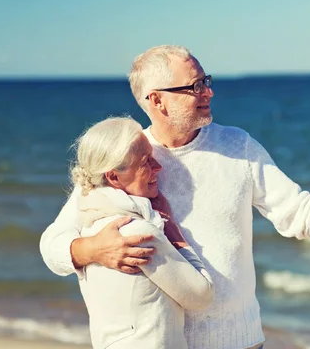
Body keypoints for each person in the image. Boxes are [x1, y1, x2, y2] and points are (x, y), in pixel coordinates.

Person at [40, 45, 310, 349]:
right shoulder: (125, 159)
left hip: (241, 341)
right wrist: (90, 250)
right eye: (194, 86)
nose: (208, 92)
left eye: (205, 81)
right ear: (156, 100)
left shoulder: (238, 145)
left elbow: (299, 215)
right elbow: (53, 244)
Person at [68, 116, 213, 349]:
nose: (158, 167)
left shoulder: (91, 227)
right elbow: (201, 295)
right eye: (146, 162)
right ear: (113, 177)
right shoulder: (138, 233)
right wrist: (173, 230)